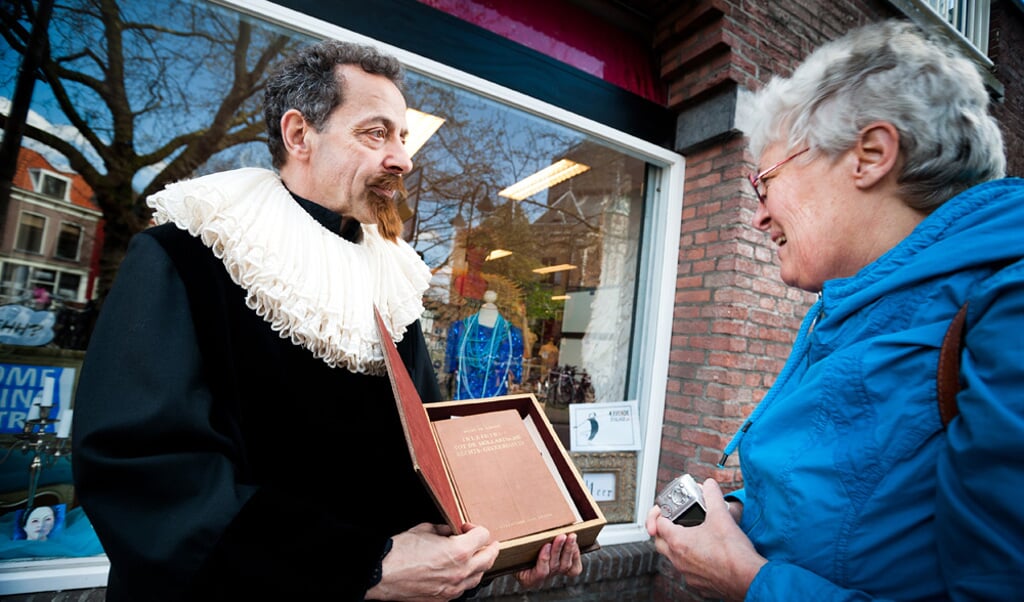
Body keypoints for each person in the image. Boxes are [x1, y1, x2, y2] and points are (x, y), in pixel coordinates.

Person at [72, 39, 581, 601]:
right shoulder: (186, 255)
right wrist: (361, 566)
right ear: (299, 136)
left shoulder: (395, 283)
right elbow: (146, 476)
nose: (403, 159)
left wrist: (500, 548)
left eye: (403, 137)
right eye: (376, 132)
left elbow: (427, 470)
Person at [646, 19, 1024, 601]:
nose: (759, 215)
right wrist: (740, 516)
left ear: (869, 156)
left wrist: (747, 581)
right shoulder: (857, 306)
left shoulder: (1007, 311)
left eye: (764, 182)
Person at [445, 290, 524, 399]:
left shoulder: (512, 334)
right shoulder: (460, 328)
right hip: (464, 397)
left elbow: (516, 372)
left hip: (494, 396)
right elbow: (450, 366)